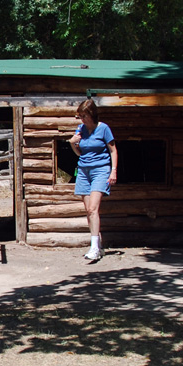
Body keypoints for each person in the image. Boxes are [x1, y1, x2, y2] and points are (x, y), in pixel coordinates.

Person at [68, 98, 117, 263]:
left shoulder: (103, 128)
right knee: (89, 210)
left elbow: (113, 150)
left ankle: (94, 248)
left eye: (84, 115)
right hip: (83, 170)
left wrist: (113, 171)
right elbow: (79, 153)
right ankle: (98, 244)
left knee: (93, 208)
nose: (82, 119)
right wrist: (73, 144)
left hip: (101, 170)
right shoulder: (81, 129)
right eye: (80, 116)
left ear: (91, 114)